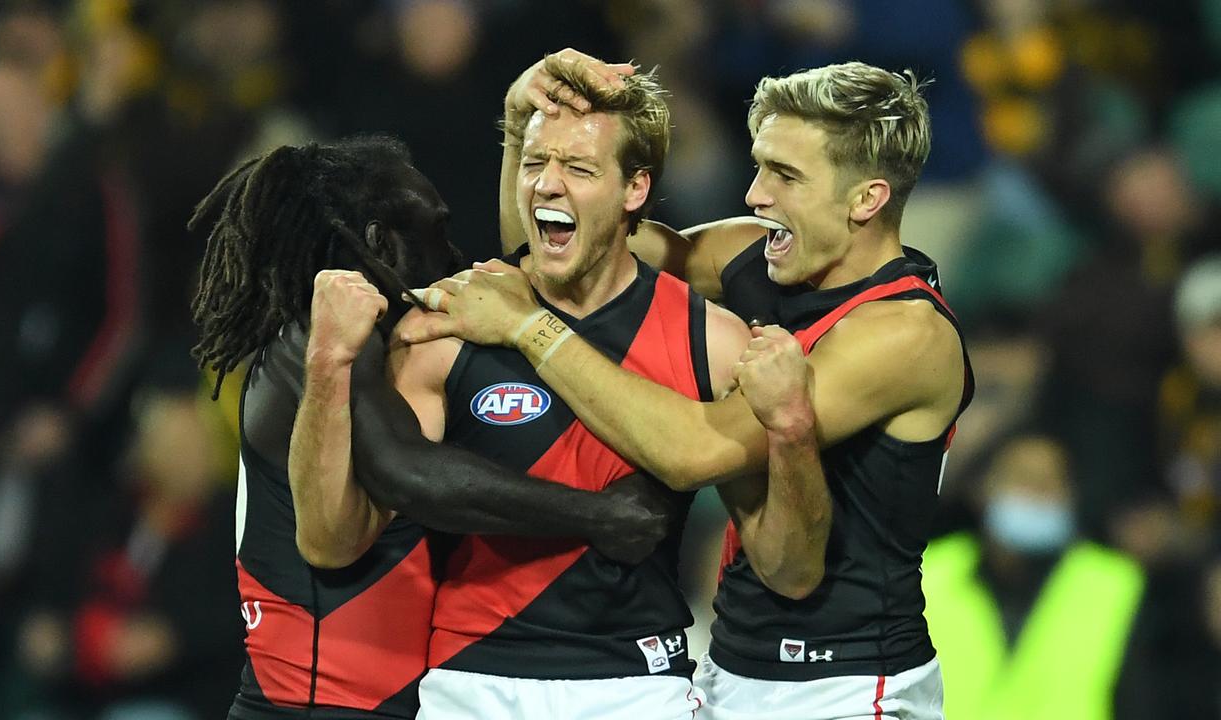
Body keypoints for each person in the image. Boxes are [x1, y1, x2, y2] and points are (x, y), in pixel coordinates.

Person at [403, 52, 974, 719]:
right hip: (733, 667)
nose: (756, 194)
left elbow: (693, 452)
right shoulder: (754, 252)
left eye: (785, 175)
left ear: (867, 199)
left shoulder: (903, 336)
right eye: (759, 165)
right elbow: (565, 260)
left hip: (846, 685)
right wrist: (523, 128)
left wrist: (529, 329)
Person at [188, 135, 675, 719]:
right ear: (380, 244)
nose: (453, 253)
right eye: (436, 231)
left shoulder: (379, 350)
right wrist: (598, 516)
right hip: (314, 708)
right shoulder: (314, 344)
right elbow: (405, 470)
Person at [388, 57, 780, 720]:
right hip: (469, 677)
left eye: (579, 168)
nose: (547, 184)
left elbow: (770, 551)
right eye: (536, 160)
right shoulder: (444, 324)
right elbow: (387, 509)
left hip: (637, 682)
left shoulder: (712, 341)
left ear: (635, 190)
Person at [922, 433, 1144, 720]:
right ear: (982, 488)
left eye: (1051, 481)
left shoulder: (1116, 583)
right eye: (1023, 478)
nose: (1038, 491)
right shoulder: (926, 574)